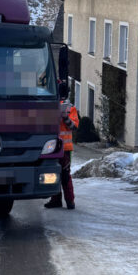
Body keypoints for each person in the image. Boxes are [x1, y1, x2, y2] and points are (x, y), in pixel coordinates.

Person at [45, 81, 79, 210]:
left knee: (64, 175)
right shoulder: (51, 107)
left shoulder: (70, 108)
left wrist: (64, 117)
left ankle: (69, 201)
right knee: (54, 174)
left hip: (62, 149)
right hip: (53, 147)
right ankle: (56, 199)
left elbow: (73, 126)